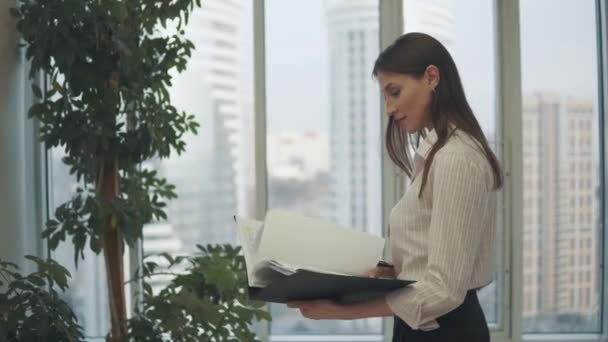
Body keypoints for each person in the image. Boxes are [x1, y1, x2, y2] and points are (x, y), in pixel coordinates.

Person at [286, 32, 503, 342]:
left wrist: (340, 311)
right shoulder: (436, 153)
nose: (388, 108)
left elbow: (444, 289)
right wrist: (389, 270)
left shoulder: (455, 158)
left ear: (431, 77)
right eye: (385, 96)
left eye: (395, 92)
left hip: (445, 331)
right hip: (422, 325)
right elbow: (428, 249)